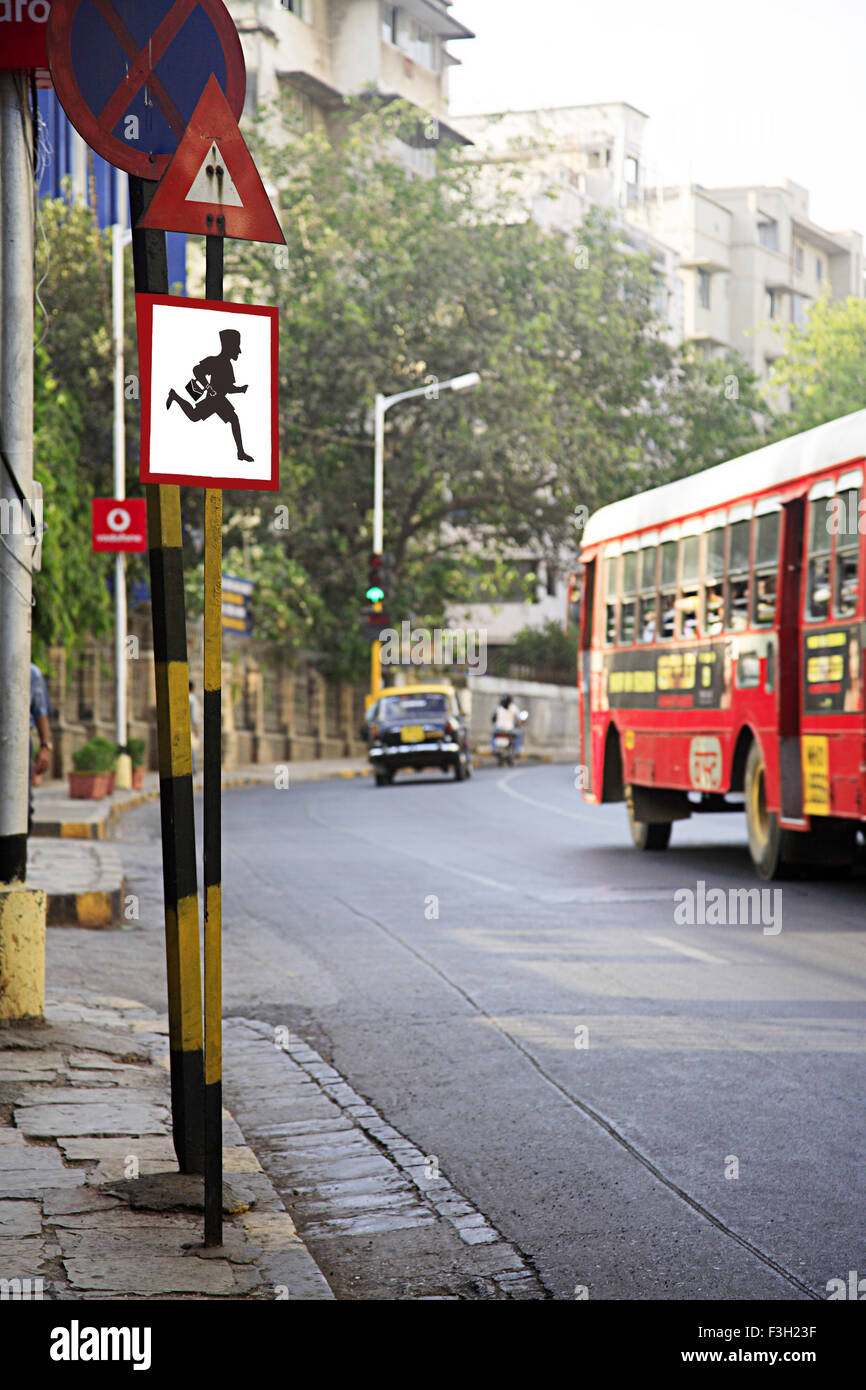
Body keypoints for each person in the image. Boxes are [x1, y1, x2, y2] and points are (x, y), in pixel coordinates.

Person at [166, 328, 254, 462]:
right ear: (229, 347)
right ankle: (175, 396)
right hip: (214, 400)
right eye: (236, 347)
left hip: (219, 400)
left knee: (233, 419)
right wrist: (208, 386)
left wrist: (240, 389)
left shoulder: (228, 365)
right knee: (195, 416)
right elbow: (197, 370)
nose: (239, 351)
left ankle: (240, 452)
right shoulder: (215, 361)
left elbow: (228, 388)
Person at [30, 662, 52, 833]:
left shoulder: (32, 673)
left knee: (23, 805)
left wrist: (45, 746)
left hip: (18, 742)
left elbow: (40, 711)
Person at [189, 680, 201, 775]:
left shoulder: (184, 697)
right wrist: (196, 728)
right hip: (190, 726)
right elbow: (194, 716)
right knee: (191, 747)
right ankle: (193, 767)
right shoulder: (193, 699)